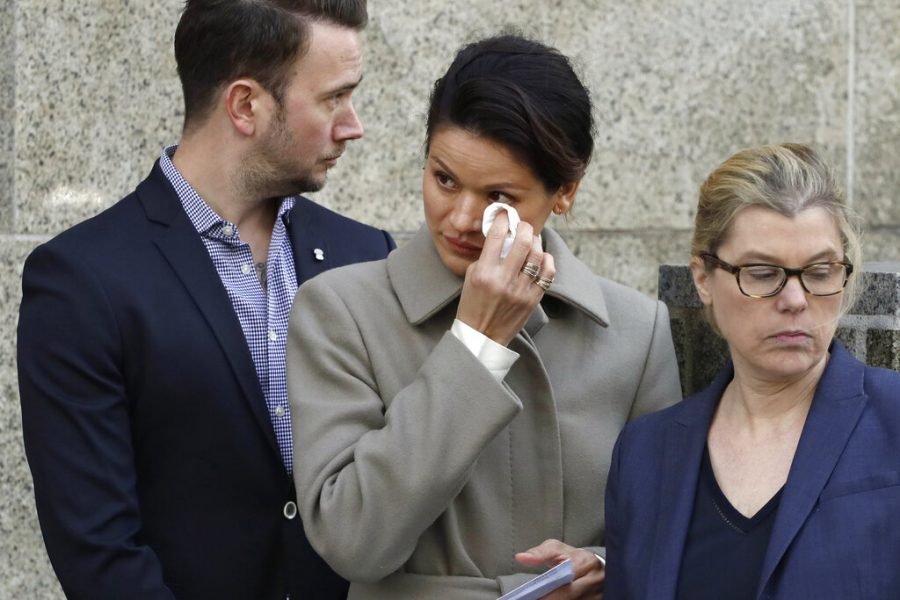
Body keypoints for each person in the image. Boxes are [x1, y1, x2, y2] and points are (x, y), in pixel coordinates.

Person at [17, 1, 395, 598]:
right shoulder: (80, 283)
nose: (353, 125)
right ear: (245, 105)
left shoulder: (368, 255)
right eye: (332, 99)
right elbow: (100, 553)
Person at [286, 34, 682, 599]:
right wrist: (476, 341)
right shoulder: (341, 311)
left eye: (499, 194)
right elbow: (351, 538)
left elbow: (665, 536)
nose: (462, 218)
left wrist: (600, 563)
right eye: (444, 179)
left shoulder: (636, 330)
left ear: (564, 192)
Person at [604, 144, 900, 599]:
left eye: (821, 272)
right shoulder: (645, 454)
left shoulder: (892, 418)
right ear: (703, 279)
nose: (796, 299)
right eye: (762, 273)